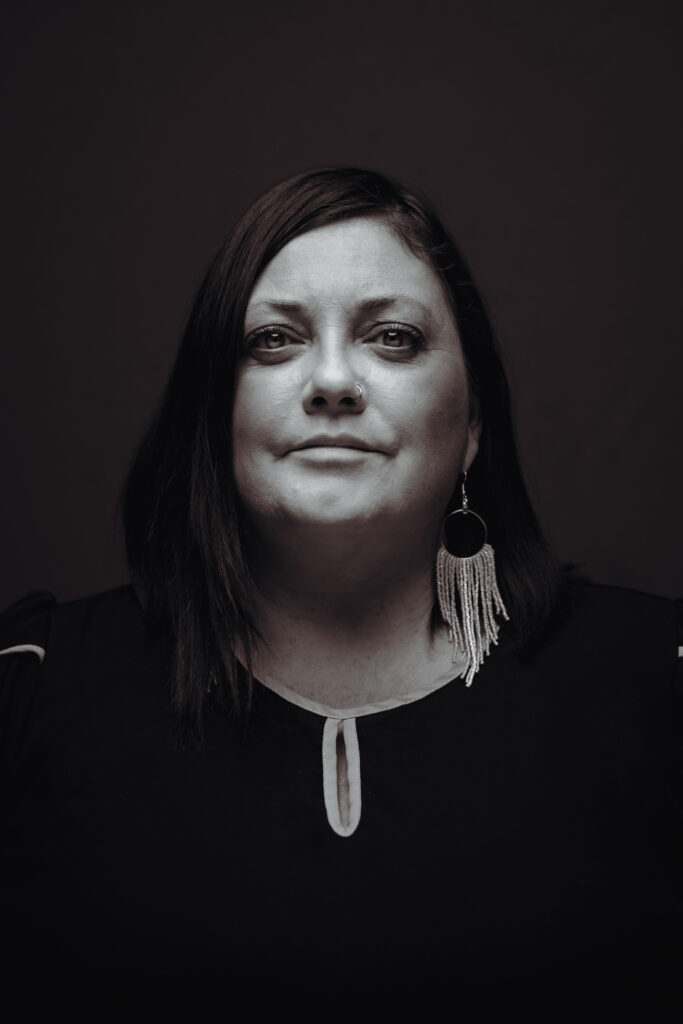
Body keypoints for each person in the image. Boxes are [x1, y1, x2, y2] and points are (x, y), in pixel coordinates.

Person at [1, 168, 681, 1007]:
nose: (331, 381)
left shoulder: (657, 683)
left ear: (472, 426)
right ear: (214, 410)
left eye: (392, 337)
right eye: (273, 341)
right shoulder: (32, 691)